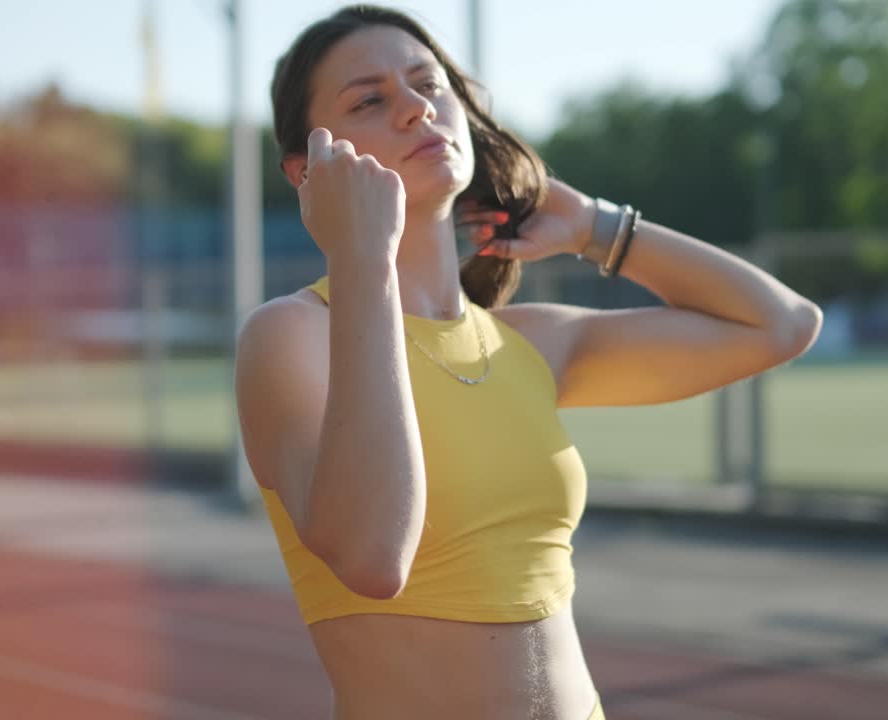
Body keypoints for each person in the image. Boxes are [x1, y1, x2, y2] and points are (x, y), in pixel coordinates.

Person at [235, 5, 822, 719]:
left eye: (430, 85)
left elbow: (781, 325)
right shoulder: (291, 335)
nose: (417, 109)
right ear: (306, 169)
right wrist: (360, 258)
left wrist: (595, 229)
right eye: (370, 99)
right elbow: (371, 556)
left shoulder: (527, 344)